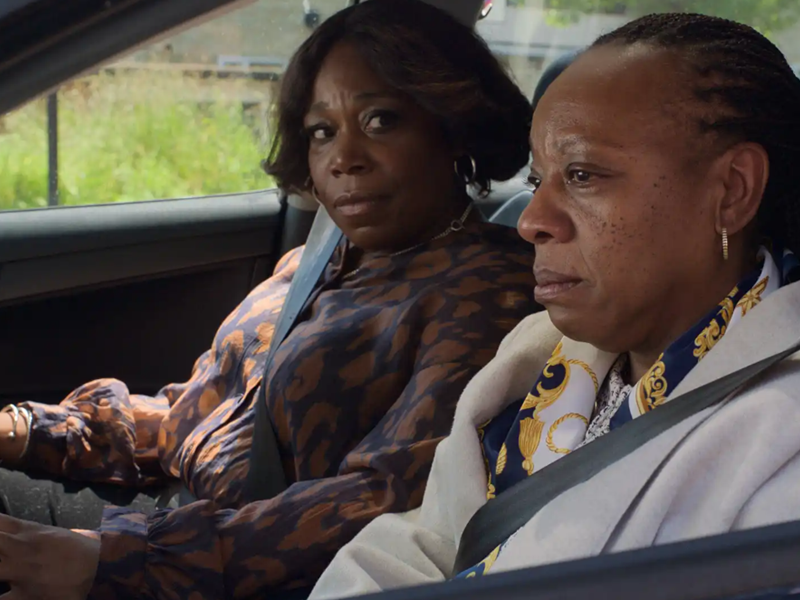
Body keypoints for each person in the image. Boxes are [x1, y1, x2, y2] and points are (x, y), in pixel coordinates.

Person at [0, 1, 538, 598]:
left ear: (453, 124)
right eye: (322, 132)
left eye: (382, 120)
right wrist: (33, 430)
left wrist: (111, 561)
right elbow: (193, 418)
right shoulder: (324, 258)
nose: (344, 157)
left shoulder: (489, 293)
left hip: (230, 568)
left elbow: (383, 501)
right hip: (171, 525)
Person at [308, 12, 800, 599]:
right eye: (537, 179)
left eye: (583, 174)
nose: (533, 221)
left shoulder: (781, 437)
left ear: (732, 191)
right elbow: (426, 544)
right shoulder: (535, 360)